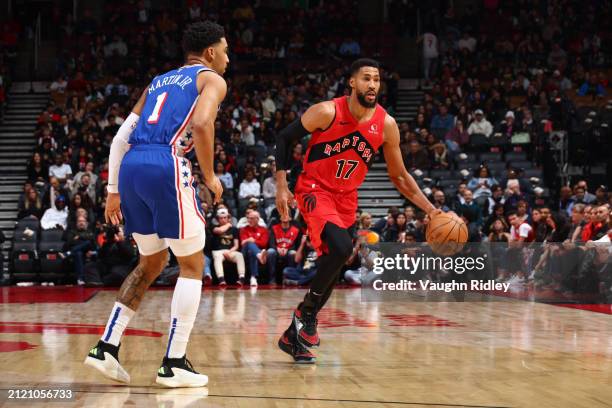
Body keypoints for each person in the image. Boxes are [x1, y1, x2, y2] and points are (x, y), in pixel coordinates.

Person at [84, 21, 228, 388]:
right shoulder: (211, 79)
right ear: (210, 52)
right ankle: (175, 362)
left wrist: (113, 190)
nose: (227, 58)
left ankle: (106, 347)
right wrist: (210, 176)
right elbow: (201, 123)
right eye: (225, 51)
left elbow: (120, 137)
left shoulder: (158, 81)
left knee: (152, 261)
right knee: (193, 264)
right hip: (165, 162)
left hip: (131, 167)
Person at [274, 58, 440, 363]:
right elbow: (284, 138)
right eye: (366, 78)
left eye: (377, 79)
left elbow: (400, 176)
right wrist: (281, 186)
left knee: (335, 265)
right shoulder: (327, 111)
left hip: (347, 199)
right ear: (353, 83)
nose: (373, 84)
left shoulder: (386, 125)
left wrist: (432, 210)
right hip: (315, 189)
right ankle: (306, 315)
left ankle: (293, 336)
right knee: (340, 248)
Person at [211, 208, 245, 286]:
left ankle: (241, 278)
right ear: (218, 219)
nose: (223, 219)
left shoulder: (234, 229)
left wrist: (229, 252)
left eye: (225, 217)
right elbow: (219, 231)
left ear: (228, 218)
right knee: (217, 257)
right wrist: (228, 225)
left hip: (230, 251)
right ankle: (221, 279)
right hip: (218, 251)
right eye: (221, 218)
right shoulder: (213, 226)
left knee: (239, 255)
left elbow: (236, 245)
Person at [267, 214, 301, 284]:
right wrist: (277, 248)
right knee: (270, 251)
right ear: (280, 217)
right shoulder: (274, 228)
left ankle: (288, 278)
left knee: (292, 253)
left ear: (290, 218)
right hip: (277, 251)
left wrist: (287, 249)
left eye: (287, 215)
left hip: (288, 251)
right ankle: (272, 279)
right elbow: (271, 243)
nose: (285, 216)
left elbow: (296, 245)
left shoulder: (295, 230)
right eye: (283, 214)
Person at [239, 210, 268, 287]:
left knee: (251, 252)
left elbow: (264, 243)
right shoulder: (244, 229)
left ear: (257, 219)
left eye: (252, 218)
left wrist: (253, 240)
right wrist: (250, 240)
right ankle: (259, 256)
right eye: (248, 218)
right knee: (249, 244)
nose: (249, 220)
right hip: (244, 252)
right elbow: (242, 243)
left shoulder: (263, 230)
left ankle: (253, 278)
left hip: (252, 252)